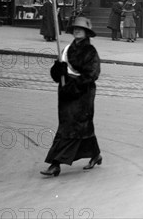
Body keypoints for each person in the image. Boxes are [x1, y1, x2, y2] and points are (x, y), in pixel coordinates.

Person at [41, 17, 102, 177]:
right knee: (81, 128)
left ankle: (55, 164)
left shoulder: (90, 51)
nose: (77, 30)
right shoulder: (66, 49)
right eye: (75, 28)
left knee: (71, 129)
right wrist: (58, 69)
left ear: (87, 32)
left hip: (82, 95)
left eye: (80, 29)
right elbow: (56, 75)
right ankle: (95, 154)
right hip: (66, 95)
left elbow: (92, 74)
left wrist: (73, 87)